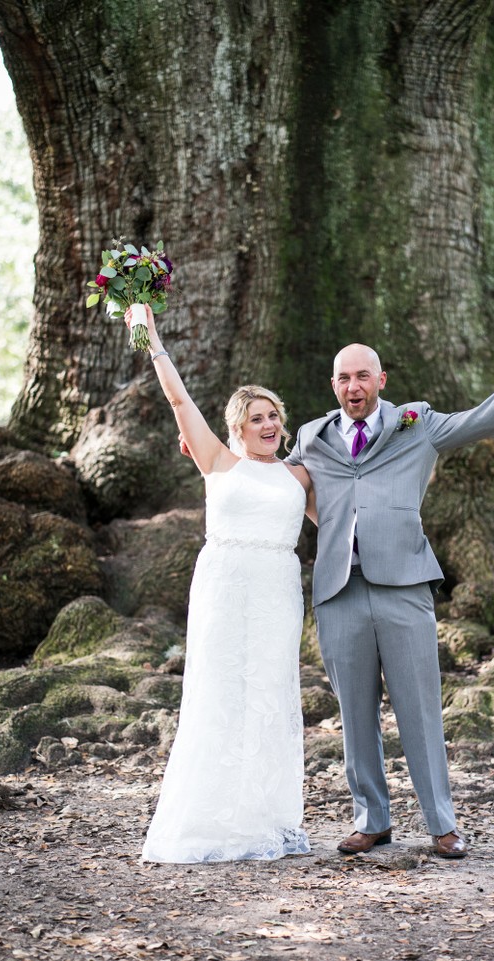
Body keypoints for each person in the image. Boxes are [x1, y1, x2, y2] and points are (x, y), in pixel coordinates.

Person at [287, 313, 494, 858]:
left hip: (404, 586)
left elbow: (485, 420)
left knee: (419, 709)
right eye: (344, 378)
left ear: (381, 380)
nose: (354, 386)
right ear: (333, 385)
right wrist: (215, 459)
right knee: (355, 713)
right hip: (338, 590)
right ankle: (372, 819)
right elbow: (275, 484)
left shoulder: (417, 424)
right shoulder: (311, 437)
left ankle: (442, 823)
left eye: (363, 376)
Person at [126, 304, 316, 863]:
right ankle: (209, 818)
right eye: (257, 418)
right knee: (218, 693)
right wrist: (154, 338)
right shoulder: (216, 460)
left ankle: (265, 816)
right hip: (224, 586)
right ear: (237, 427)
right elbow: (179, 400)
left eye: (273, 416)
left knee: (267, 695)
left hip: (278, 590)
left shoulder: (298, 475)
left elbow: (339, 523)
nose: (268, 425)